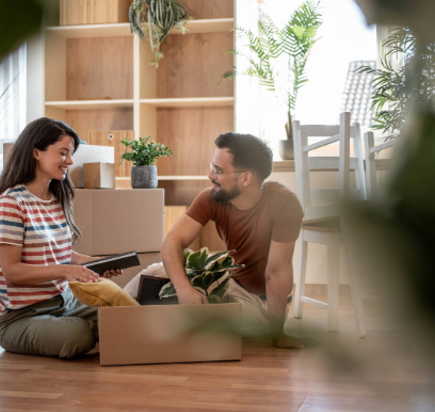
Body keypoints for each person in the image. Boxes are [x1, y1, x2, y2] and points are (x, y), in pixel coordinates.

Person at [126, 133, 306, 349]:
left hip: (262, 302)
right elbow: (172, 242)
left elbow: (276, 271)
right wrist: (184, 289)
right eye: (212, 166)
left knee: (215, 328)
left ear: (246, 178)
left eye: (218, 170)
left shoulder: (283, 203)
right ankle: (101, 317)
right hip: (229, 281)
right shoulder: (212, 197)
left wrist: (278, 334)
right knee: (153, 272)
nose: (210, 175)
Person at [0, 117, 120, 359]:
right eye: (63, 153)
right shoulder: (11, 203)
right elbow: (12, 271)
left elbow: (59, 253)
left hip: (62, 301)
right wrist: (65, 272)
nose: (70, 161)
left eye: (71, 153)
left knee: (121, 316)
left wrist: (91, 263)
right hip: (20, 316)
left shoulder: (56, 198)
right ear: (36, 152)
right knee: (79, 336)